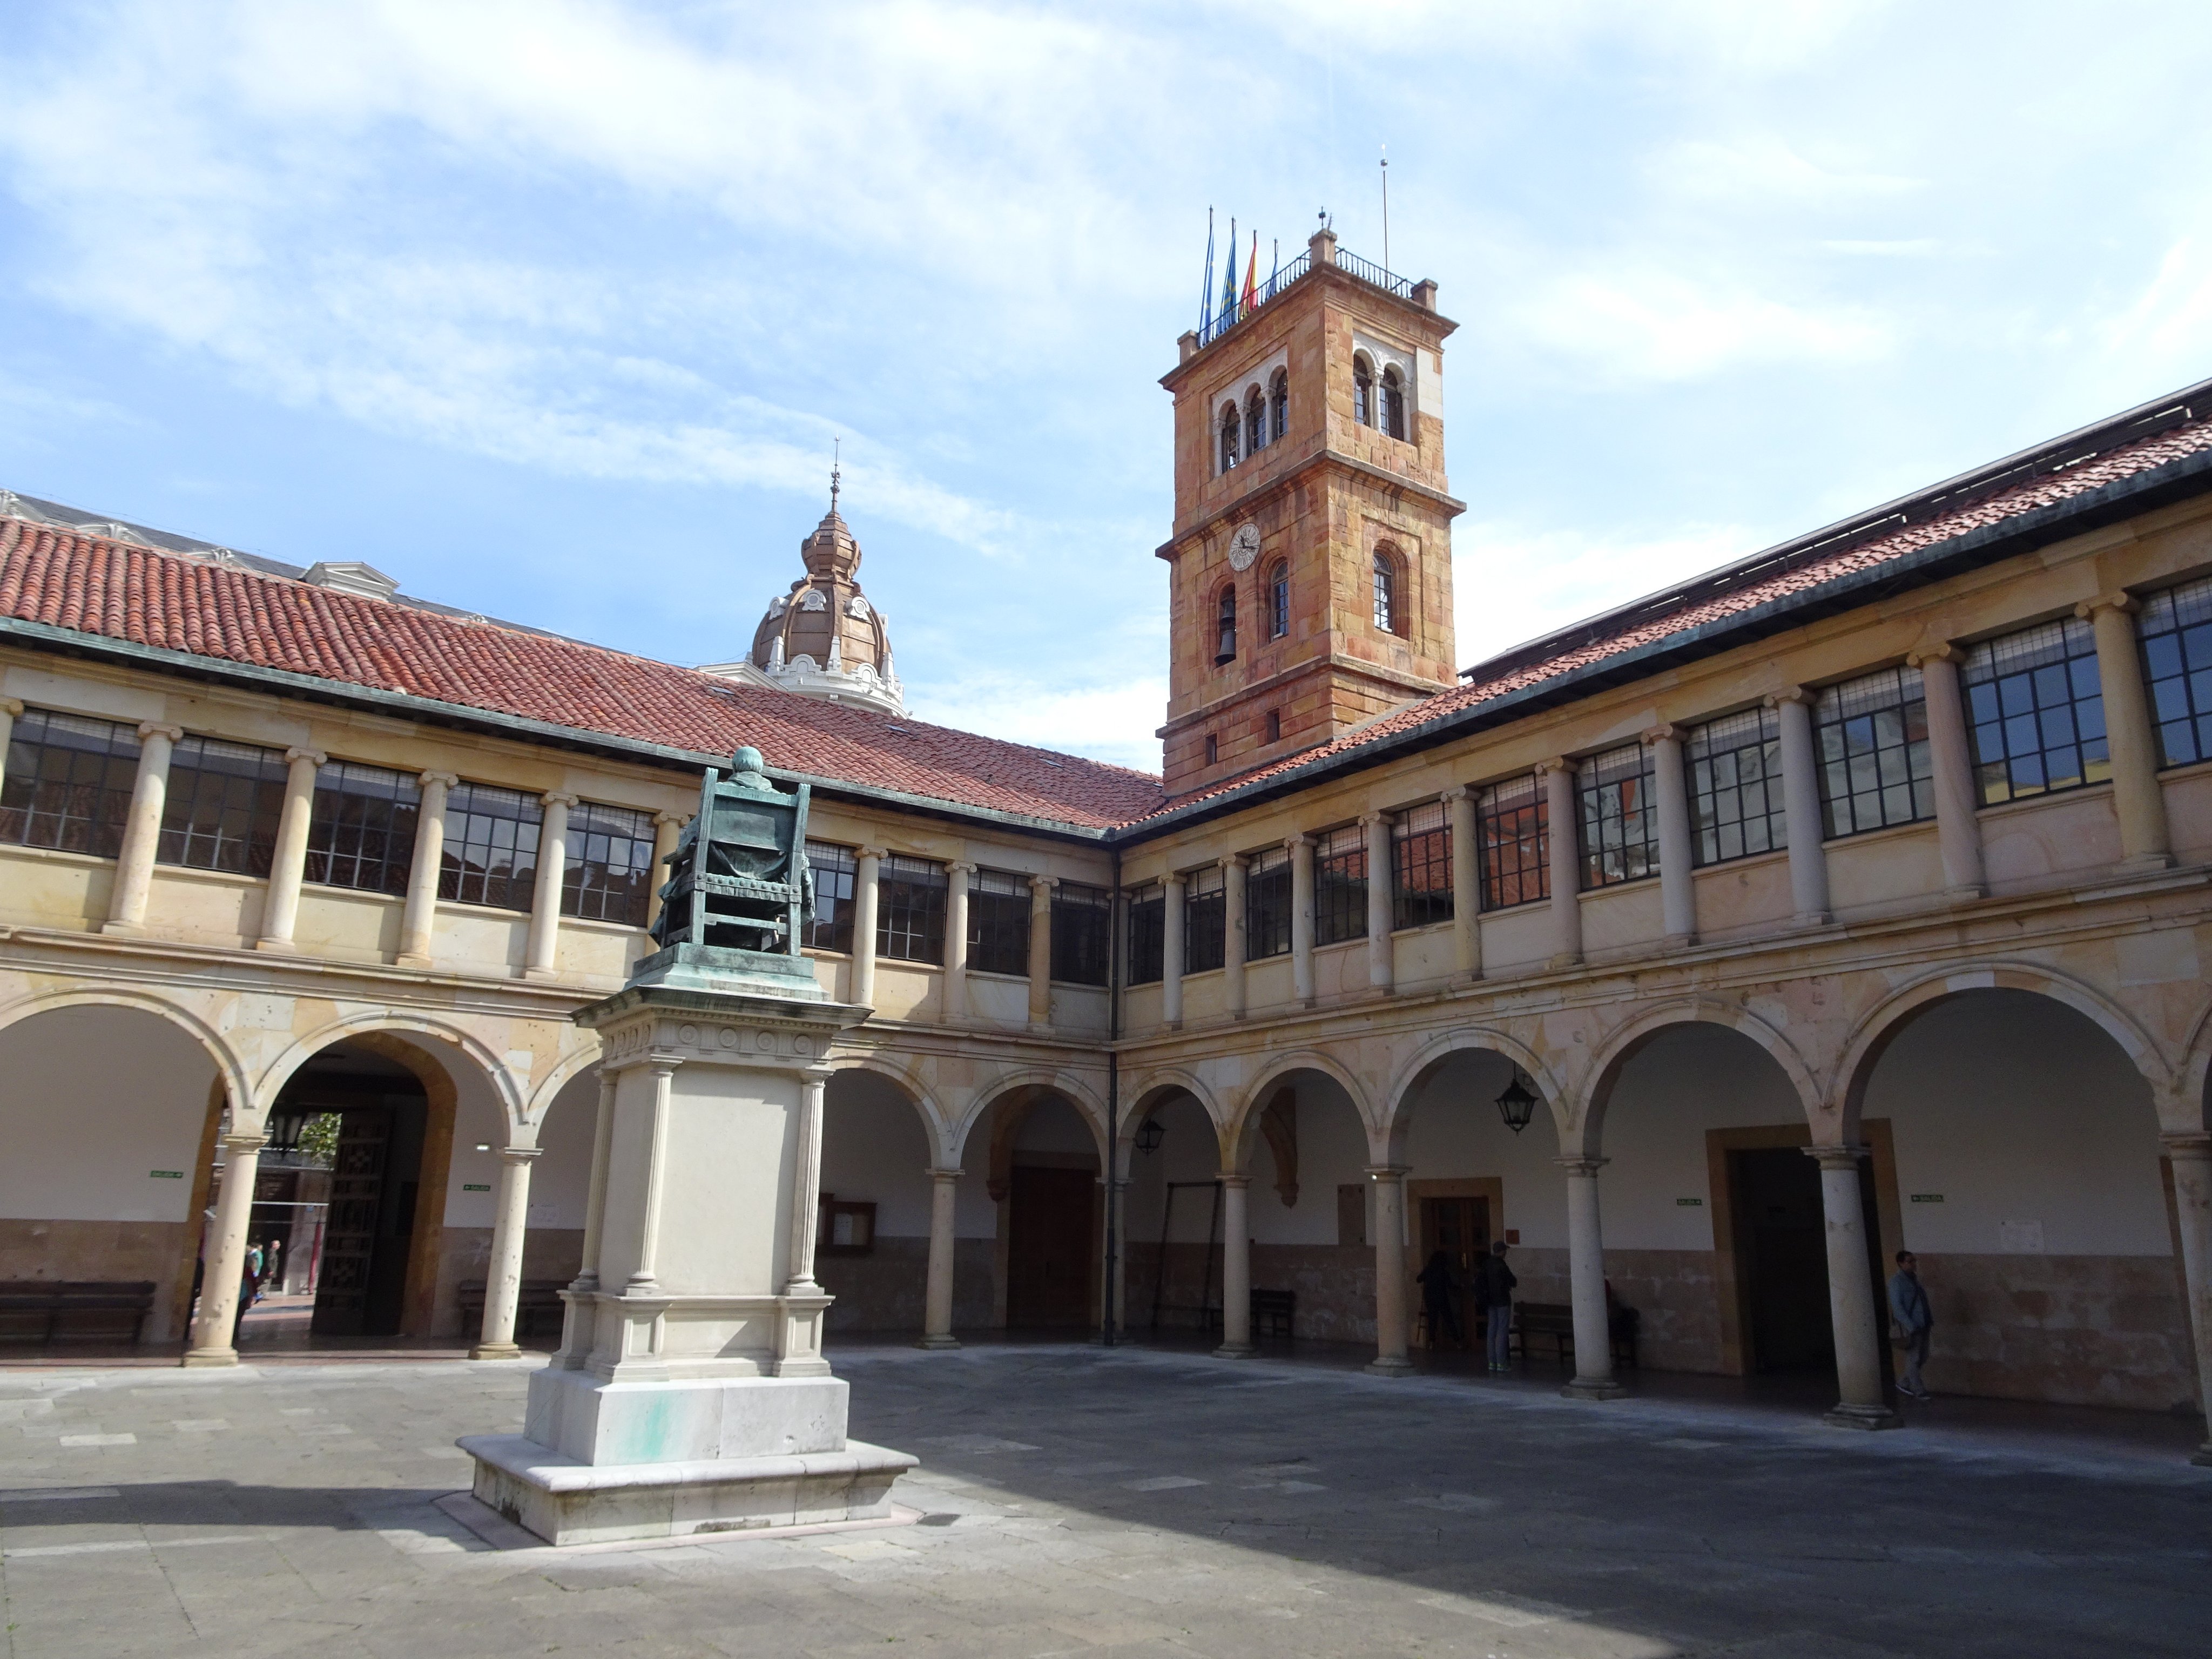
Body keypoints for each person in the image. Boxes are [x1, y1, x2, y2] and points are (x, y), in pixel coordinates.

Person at [1889, 1249, 1933, 1400]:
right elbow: (1898, 1307)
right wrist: (1910, 1325)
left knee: (1924, 1355)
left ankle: (1903, 1382)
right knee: (1913, 1358)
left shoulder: (1914, 1279)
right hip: (1912, 1325)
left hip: (1924, 1323)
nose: (1914, 1264)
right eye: (1910, 1261)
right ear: (1901, 1263)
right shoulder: (1896, 1282)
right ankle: (1918, 1389)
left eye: (1914, 1261)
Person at [1476, 1241, 1518, 1373]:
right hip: (1502, 1301)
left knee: (1492, 1330)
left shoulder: (1486, 1264)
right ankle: (1502, 1363)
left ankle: (1492, 1362)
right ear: (1502, 1251)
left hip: (1490, 1301)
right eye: (1505, 1250)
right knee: (1502, 1331)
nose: (1506, 1253)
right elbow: (1513, 1281)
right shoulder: (1501, 1265)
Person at [1415, 1250, 1463, 1349]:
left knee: (1433, 1320)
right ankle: (1458, 1342)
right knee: (1449, 1320)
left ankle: (1432, 1343)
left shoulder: (1428, 1269)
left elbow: (1418, 1279)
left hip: (1430, 1298)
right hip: (1442, 1298)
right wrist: (1460, 1287)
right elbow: (1450, 1285)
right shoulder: (1443, 1271)